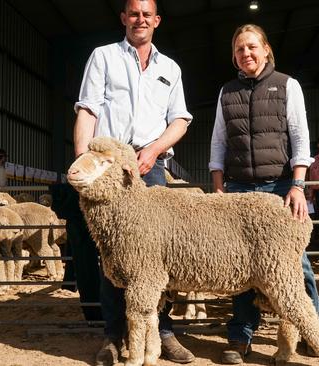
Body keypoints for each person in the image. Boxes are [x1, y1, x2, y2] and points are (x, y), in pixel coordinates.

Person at [73, 0, 194, 364]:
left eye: (147, 14)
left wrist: (155, 150)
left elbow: (180, 120)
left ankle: (164, 332)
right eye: (133, 13)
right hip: (110, 167)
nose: (140, 19)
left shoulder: (169, 68)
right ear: (124, 18)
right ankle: (113, 336)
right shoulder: (104, 56)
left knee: (160, 256)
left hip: (150, 166)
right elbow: (88, 109)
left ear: (156, 21)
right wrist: (85, 160)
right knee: (113, 256)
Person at [208, 24, 319, 364]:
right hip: (239, 189)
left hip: (279, 188)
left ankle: (313, 329)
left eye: (252, 47)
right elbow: (218, 141)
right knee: (240, 264)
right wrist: (218, 186)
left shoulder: (287, 85)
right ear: (234, 56)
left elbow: (300, 137)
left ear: (266, 50)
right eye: (240, 49)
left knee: (297, 263)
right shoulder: (226, 92)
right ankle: (240, 336)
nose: (246, 53)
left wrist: (298, 185)